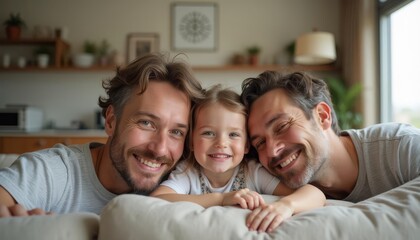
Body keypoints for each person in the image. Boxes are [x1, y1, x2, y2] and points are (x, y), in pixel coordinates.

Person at [0, 53, 204, 217]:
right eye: (146, 123)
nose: (159, 149)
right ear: (110, 121)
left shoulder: (182, 180)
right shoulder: (56, 170)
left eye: (176, 132)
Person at [151, 84, 325, 232]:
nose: (221, 143)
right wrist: (220, 199)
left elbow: (316, 194)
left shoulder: (252, 172)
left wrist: (287, 205)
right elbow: (157, 200)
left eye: (233, 134)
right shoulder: (189, 172)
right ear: (191, 142)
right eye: (208, 133)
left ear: (246, 145)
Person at [240, 71, 420, 202]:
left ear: (322, 116)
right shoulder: (269, 185)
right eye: (260, 142)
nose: (271, 151)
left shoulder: (401, 147)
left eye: (282, 126)